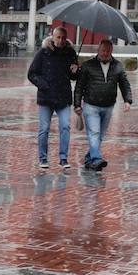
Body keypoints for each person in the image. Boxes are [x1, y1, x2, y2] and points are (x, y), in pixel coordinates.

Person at [74, 38, 133, 172]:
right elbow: (79, 87)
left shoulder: (118, 66)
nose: (105, 53)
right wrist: (77, 104)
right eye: (103, 50)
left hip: (108, 106)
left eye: (108, 51)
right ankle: (96, 159)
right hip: (91, 105)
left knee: (100, 135)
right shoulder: (88, 65)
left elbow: (125, 84)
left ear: (111, 51)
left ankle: (89, 159)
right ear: (98, 50)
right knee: (94, 133)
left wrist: (127, 100)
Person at [27, 24, 80, 169]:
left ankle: (63, 158)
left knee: (65, 126)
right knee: (44, 128)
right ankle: (43, 158)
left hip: (63, 96)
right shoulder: (43, 53)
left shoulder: (70, 53)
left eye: (63, 38)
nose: (61, 40)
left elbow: (73, 76)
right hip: (46, 97)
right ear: (53, 37)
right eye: (58, 37)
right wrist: (44, 85)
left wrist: (75, 71)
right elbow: (31, 74)